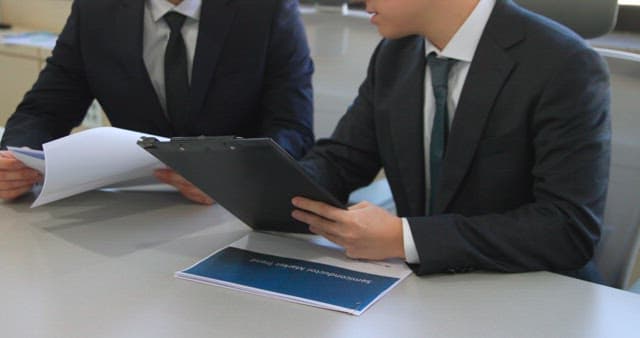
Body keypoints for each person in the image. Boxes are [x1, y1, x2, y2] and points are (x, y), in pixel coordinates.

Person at [291, 0, 611, 282]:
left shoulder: (564, 63)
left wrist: (404, 238)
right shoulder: (395, 54)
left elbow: (568, 228)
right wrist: (272, 185)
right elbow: (344, 158)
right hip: (427, 287)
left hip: (536, 291)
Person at [0, 0, 314, 204]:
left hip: (233, 215)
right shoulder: (95, 9)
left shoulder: (267, 9)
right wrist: (12, 162)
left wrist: (233, 178)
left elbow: (292, 127)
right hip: (133, 207)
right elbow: (45, 109)